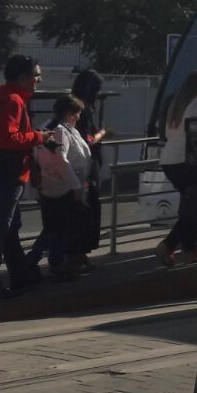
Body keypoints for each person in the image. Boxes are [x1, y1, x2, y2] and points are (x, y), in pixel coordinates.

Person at [0, 55, 47, 300]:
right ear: (23, 78)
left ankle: (19, 276)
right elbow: (7, 139)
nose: (39, 79)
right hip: (6, 174)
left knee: (7, 229)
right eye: (36, 75)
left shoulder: (0, 96)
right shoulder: (13, 101)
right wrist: (39, 137)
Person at [36, 95, 93, 282]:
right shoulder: (59, 131)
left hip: (51, 185)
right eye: (77, 113)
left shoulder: (50, 126)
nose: (79, 117)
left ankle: (47, 262)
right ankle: (58, 265)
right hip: (63, 187)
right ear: (69, 113)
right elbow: (59, 158)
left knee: (54, 228)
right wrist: (75, 185)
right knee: (63, 229)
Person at [156, 69, 197, 266]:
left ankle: (191, 247)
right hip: (188, 160)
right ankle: (169, 245)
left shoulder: (176, 104)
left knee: (191, 203)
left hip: (170, 159)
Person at [69, 70, 108, 263]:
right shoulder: (84, 111)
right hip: (85, 166)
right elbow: (87, 140)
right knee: (86, 209)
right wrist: (101, 135)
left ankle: (77, 255)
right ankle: (78, 255)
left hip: (79, 166)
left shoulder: (74, 107)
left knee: (82, 210)